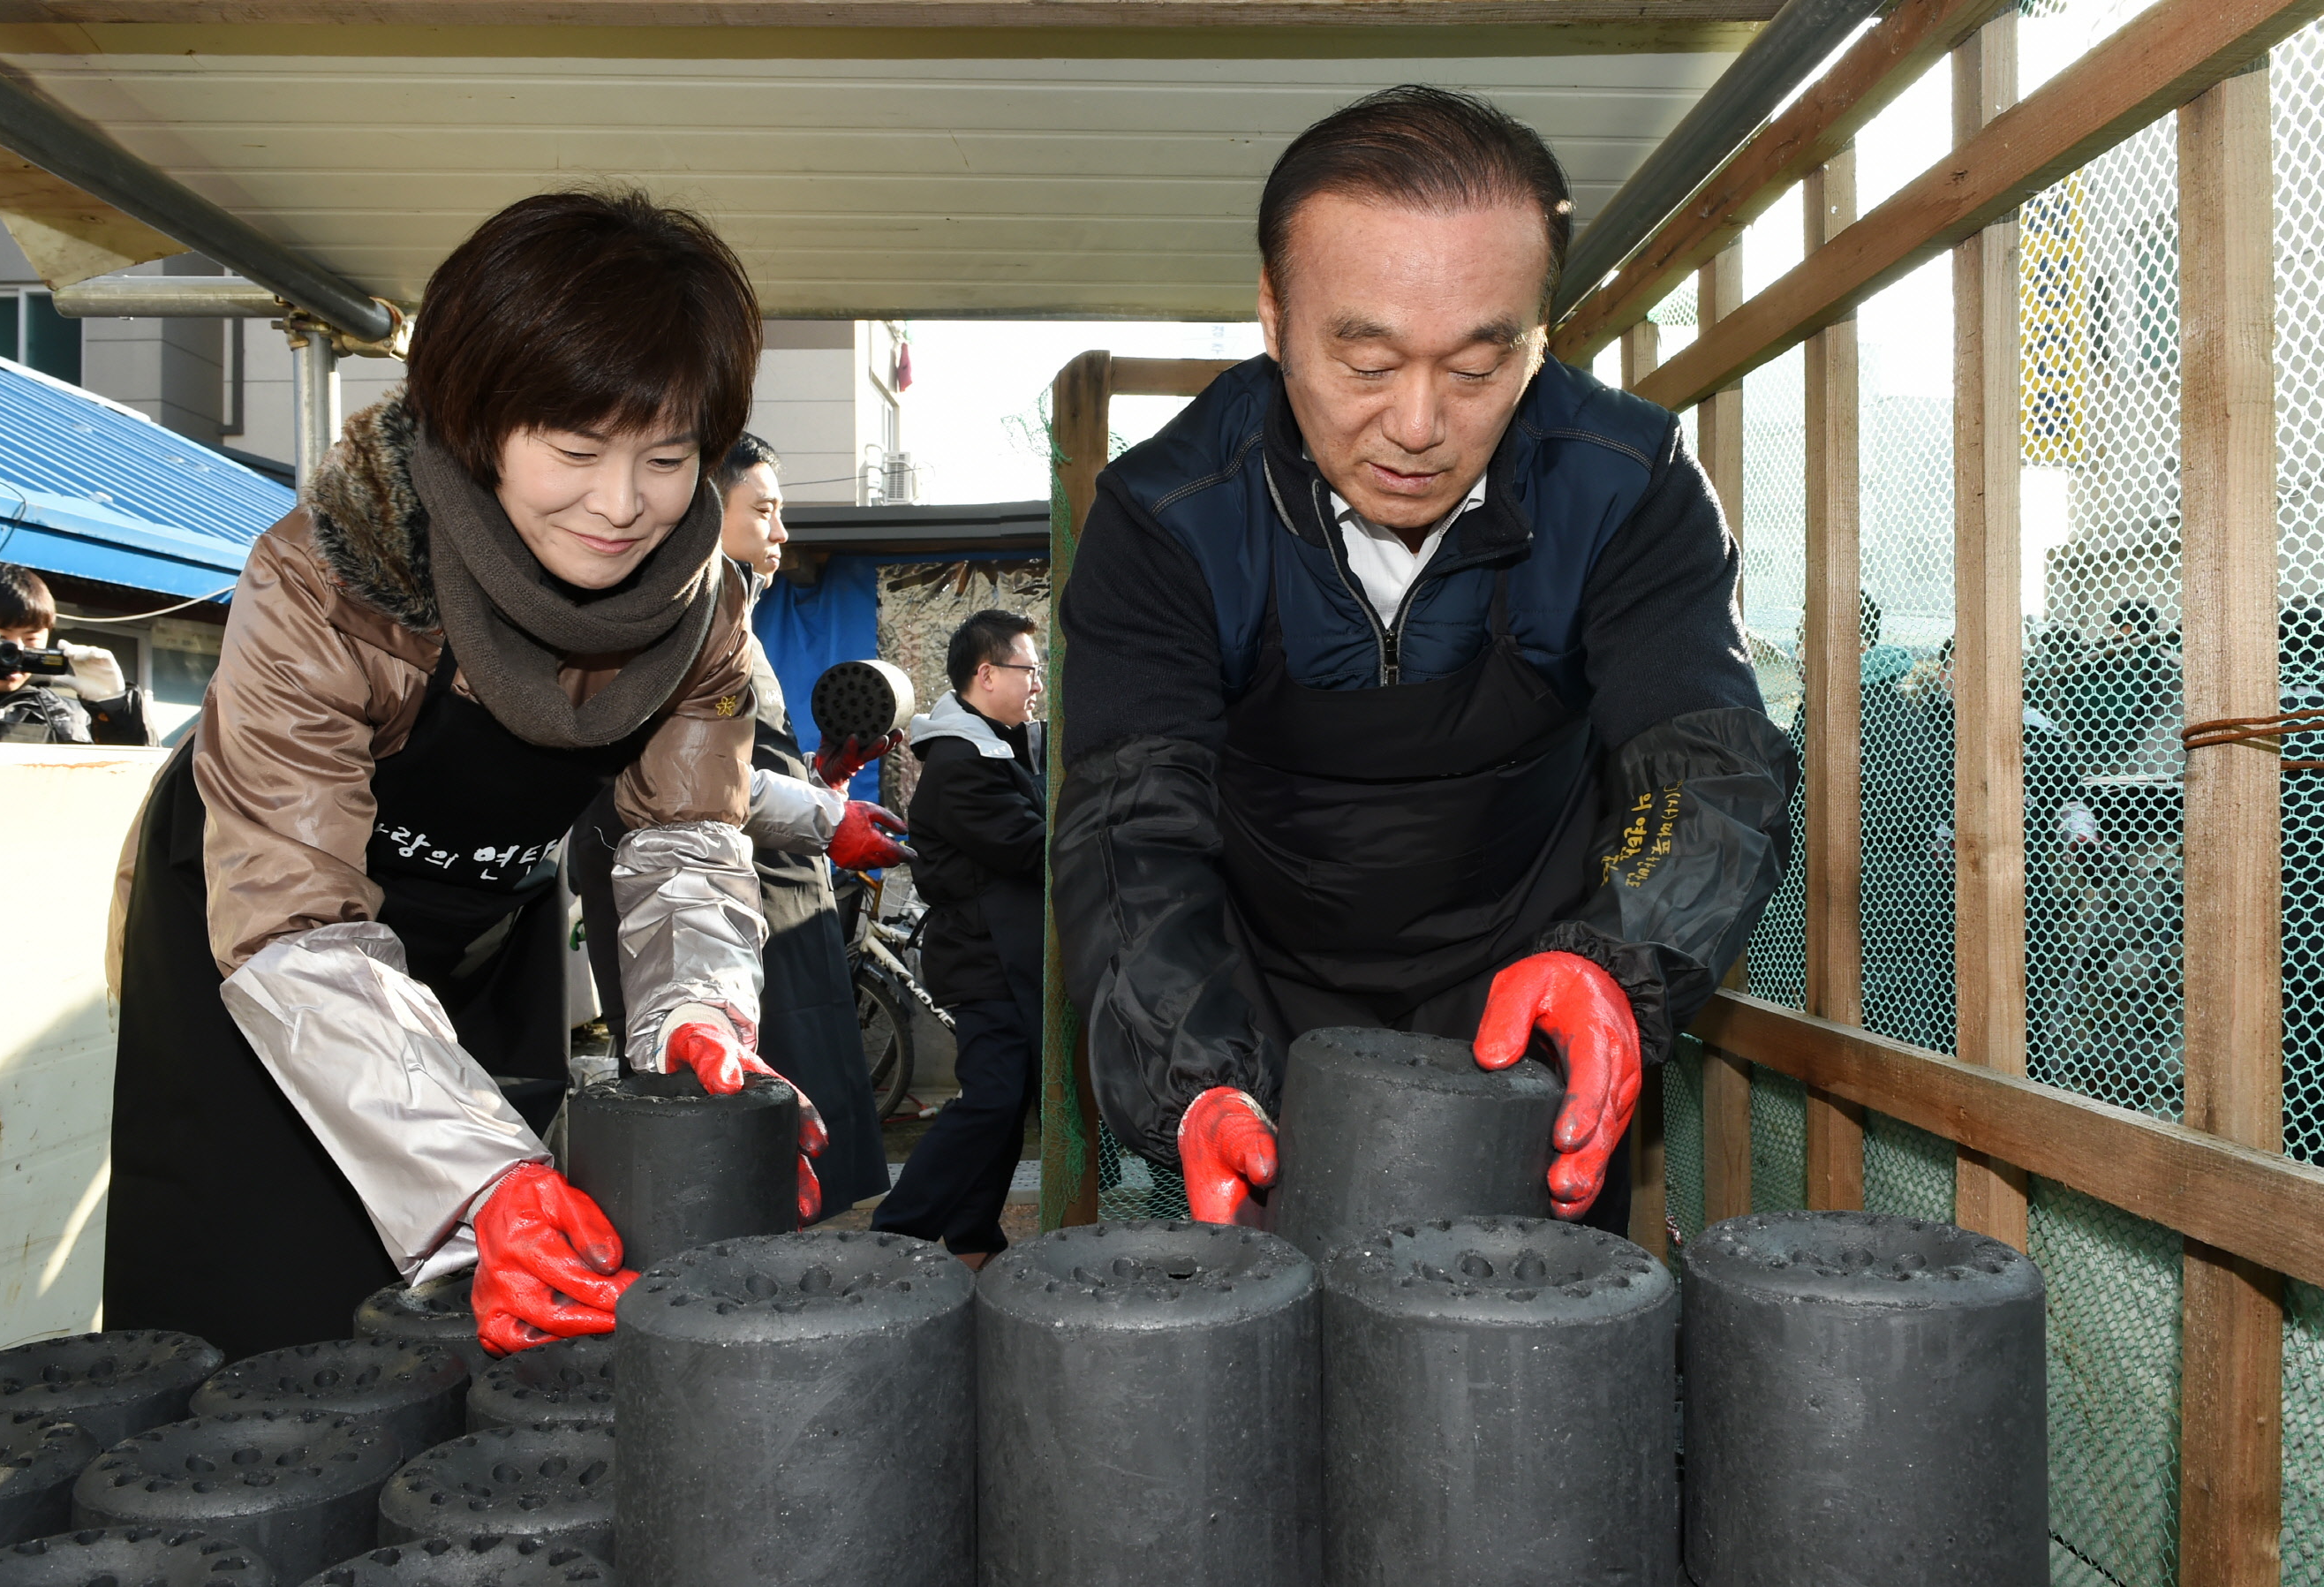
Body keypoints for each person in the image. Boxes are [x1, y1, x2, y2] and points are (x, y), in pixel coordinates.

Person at [1053, 86, 1795, 1234]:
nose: (1416, 423)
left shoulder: (1627, 487)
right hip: (1258, 1006)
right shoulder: (1168, 520)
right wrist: (1190, 1073)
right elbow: (1130, 835)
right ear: (1273, 316)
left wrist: (1614, 960)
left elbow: (1707, 764)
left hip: (1534, 990)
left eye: (1477, 366)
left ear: (1539, 338)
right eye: (1366, 361)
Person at [104, 189, 817, 1360]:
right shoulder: (324, 577)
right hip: (269, 942)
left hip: (486, 929)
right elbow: (294, 926)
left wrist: (700, 1014)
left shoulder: (704, 615)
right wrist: (478, 1174)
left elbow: (684, 841)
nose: (622, 502)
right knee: (275, 1317)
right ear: (479, 424)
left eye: (669, 455)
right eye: (576, 449)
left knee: (520, 1304)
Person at [569, 432, 909, 1219]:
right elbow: (683, 784)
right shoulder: (664, 616)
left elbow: (743, 767)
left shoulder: (735, 619)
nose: (781, 532)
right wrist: (828, 818)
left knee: (799, 1133)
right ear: (703, 504)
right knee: (733, 1133)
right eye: (765, 510)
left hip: (776, 895)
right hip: (717, 900)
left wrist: (821, 782)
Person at [872, 609, 1047, 1266]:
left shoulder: (992, 744)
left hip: (1001, 958)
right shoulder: (961, 761)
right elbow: (1031, 848)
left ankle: (974, 1237)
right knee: (993, 1098)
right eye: (1028, 669)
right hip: (983, 960)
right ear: (986, 673)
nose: (1036, 684)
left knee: (1004, 1102)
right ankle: (897, 1233)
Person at [0, 560, 152, 744]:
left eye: (31, 639)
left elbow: (141, 781)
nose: (16, 652)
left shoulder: (68, 715)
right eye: (1, 639)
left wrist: (115, 709)